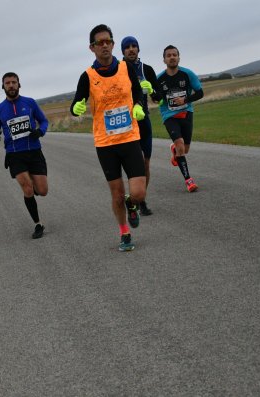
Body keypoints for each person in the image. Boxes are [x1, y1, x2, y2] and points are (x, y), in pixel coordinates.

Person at [70, 24, 147, 252]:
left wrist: (139, 107)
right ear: (91, 48)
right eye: (99, 43)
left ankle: (132, 205)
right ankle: (124, 232)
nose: (104, 45)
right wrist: (76, 109)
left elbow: (137, 93)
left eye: (108, 41)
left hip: (130, 137)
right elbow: (76, 103)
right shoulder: (87, 76)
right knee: (115, 193)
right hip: (105, 143)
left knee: (138, 192)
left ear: (113, 44)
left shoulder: (126, 68)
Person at [0, 72, 49, 239]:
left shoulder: (29, 103)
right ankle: (38, 224)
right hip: (14, 154)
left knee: (42, 191)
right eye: (7, 83)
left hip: (34, 151)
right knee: (27, 188)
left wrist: (40, 131)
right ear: (3, 86)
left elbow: (44, 121)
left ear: (19, 84)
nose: (11, 85)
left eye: (14, 82)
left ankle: (34, 185)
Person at [121, 35, 163, 216]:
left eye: (134, 46)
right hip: (126, 124)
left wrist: (152, 90)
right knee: (134, 165)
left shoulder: (147, 69)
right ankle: (136, 200)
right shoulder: (118, 69)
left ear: (138, 49)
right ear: (122, 51)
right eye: (127, 47)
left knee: (145, 164)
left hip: (143, 122)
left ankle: (141, 199)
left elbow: (159, 98)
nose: (131, 49)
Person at [157, 45, 204, 192]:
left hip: (186, 113)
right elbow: (155, 97)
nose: (172, 57)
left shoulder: (187, 74)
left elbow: (200, 93)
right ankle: (189, 181)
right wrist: (155, 98)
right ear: (164, 59)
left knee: (185, 149)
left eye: (174, 55)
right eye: (168, 55)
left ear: (178, 57)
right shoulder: (159, 79)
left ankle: (175, 151)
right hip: (169, 115)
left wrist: (185, 100)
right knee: (180, 144)